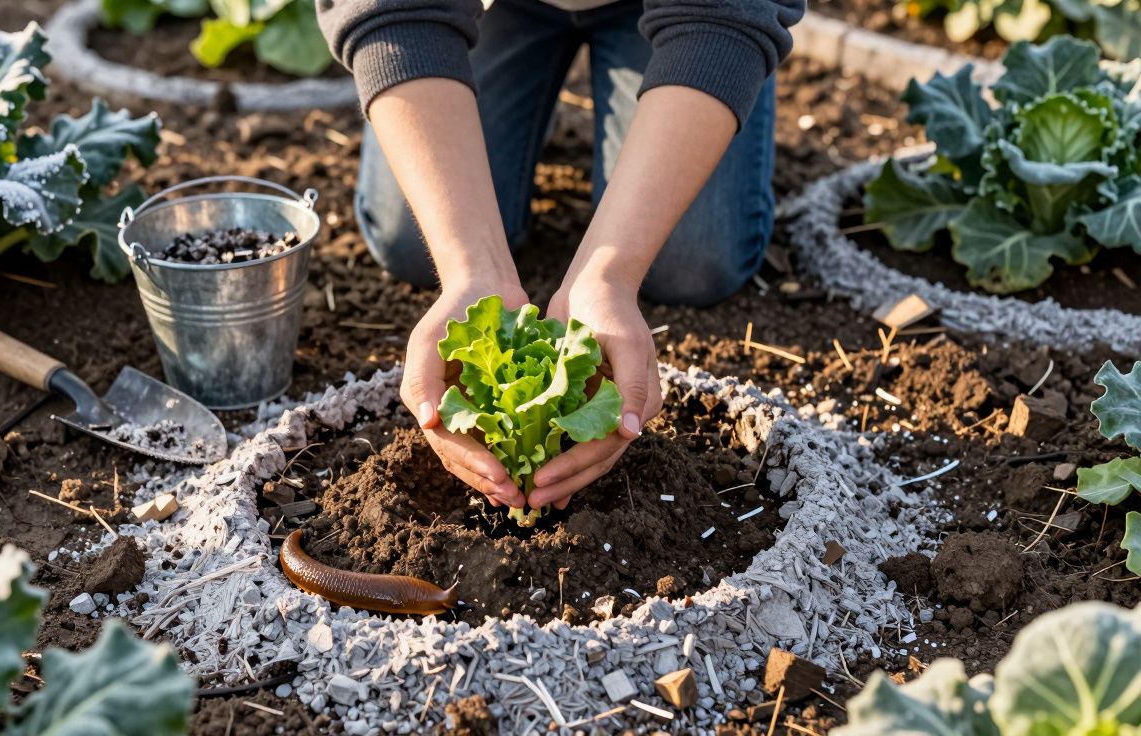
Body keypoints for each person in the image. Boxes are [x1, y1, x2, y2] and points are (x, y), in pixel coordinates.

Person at [317, 0, 805, 516]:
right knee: (413, 243)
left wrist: (608, 276)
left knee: (691, 261)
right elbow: (396, 12)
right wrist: (470, 270)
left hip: (688, 12)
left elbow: (721, 16)